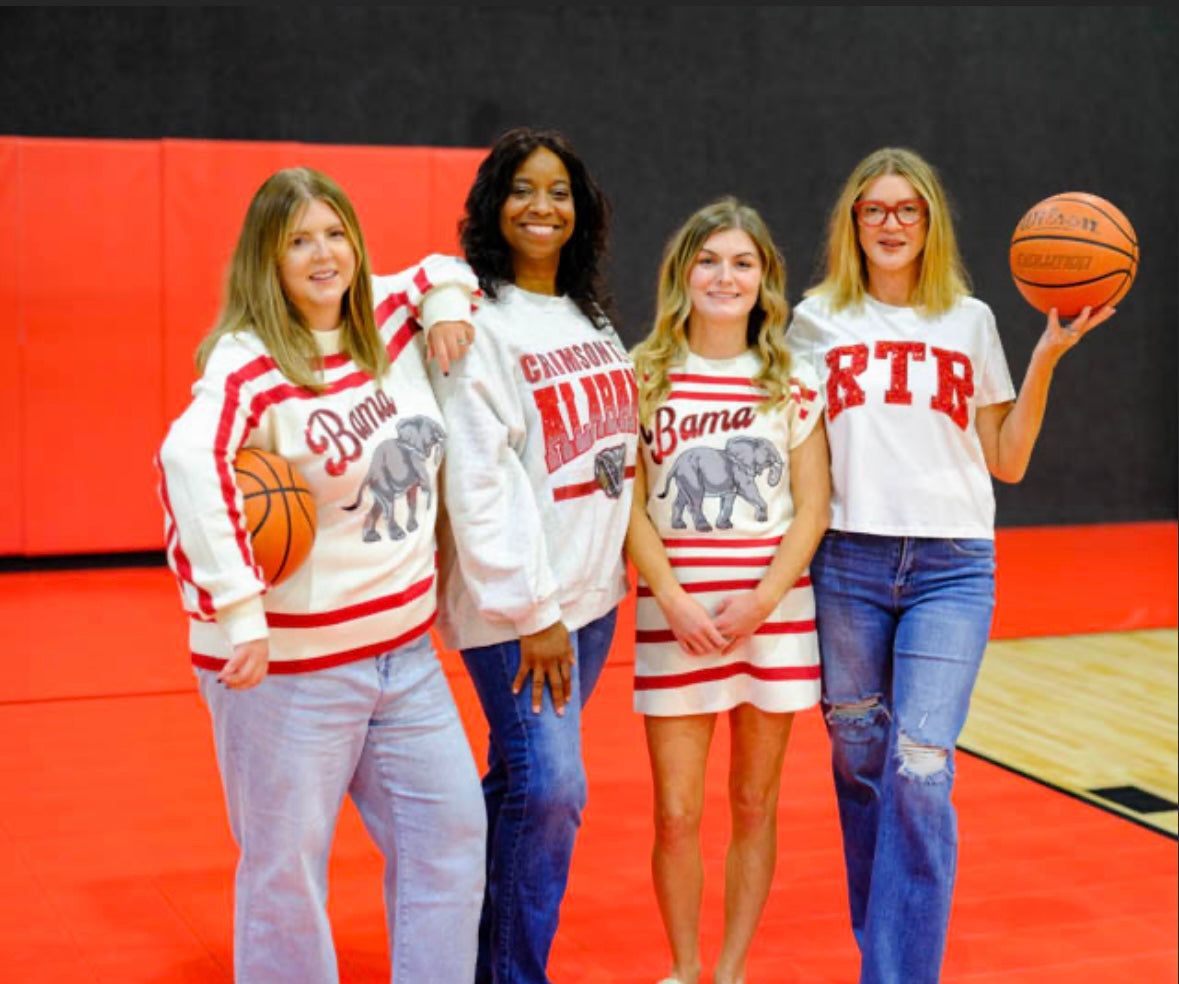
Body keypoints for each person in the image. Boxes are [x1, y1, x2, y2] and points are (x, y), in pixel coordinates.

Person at [786, 147, 1114, 984]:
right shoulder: (815, 320)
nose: (890, 223)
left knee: (921, 771)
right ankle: (885, 949)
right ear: (851, 223)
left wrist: (1044, 356)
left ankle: (897, 974)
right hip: (849, 561)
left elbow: (1006, 458)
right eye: (874, 210)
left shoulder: (968, 320)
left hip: (950, 567)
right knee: (860, 769)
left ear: (930, 223)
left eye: (907, 210)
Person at [155, 166, 488, 984]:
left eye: (334, 233)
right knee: (285, 871)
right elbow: (185, 458)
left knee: (449, 838)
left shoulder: (380, 312)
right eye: (298, 240)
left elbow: (444, 270)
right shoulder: (250, 361)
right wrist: (240, 611)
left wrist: (445, 304)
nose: (322, 253)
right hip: (290, 671)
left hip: (406, 660)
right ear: (265, 259)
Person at [426, 127, 638, 984]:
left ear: (580, 208)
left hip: (591, 601)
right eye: (521, 188)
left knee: (518, 788)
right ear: (491, 205)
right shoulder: (474, 322)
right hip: (524, 611)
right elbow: (475, 484)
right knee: (553, 793)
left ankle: (457, 957)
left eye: (557, 190)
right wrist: (533, 613)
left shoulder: (588, 316)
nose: (541, 205)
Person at [626, 197, 831, 984]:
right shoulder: (643, 373)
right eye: (708, 260)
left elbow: (811, 507)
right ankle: (682, 968)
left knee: (753, 804)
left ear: (764, 280)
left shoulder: (791, 379)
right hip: (672, 615)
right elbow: (631, 506)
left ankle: (732, 969)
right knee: (676, 813)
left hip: (772, 616)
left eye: (741, 262)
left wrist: (761, 599)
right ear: (682, 274)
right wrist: (672, 597)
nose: (724, 275)